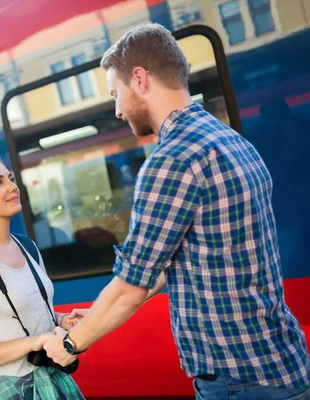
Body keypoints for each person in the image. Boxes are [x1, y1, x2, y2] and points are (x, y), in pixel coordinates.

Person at [43, 23, 310, 400]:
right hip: (281, 362)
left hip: (240, 380)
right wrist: (98, 313)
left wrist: (71, 344)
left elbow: (129, 290)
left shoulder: (172, 160)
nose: (117, 111)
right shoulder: (230, 140)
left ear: (139, 79)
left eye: (115, 94)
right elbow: (192, 259)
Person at [0, 152, 84, 399]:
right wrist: (34, 342)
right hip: (7, 389)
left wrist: (61, 320)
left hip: (51, 380)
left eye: (10, 178)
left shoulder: (27, 247)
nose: (13, 187)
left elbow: (22, 312)